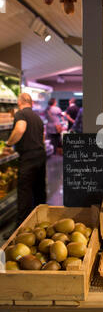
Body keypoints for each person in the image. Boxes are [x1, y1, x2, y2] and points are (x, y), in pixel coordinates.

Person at [5, 93, 46, 225]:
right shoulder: (38, 118)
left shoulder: (21, 114)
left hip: (28, 158)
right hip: (40, 156)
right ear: (31, 103)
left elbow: (20, 129)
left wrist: (9, 144)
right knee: (39, 191)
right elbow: (43, 138)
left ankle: (20, 227)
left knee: (25, 193)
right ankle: (40, 223)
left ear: (20, 102)